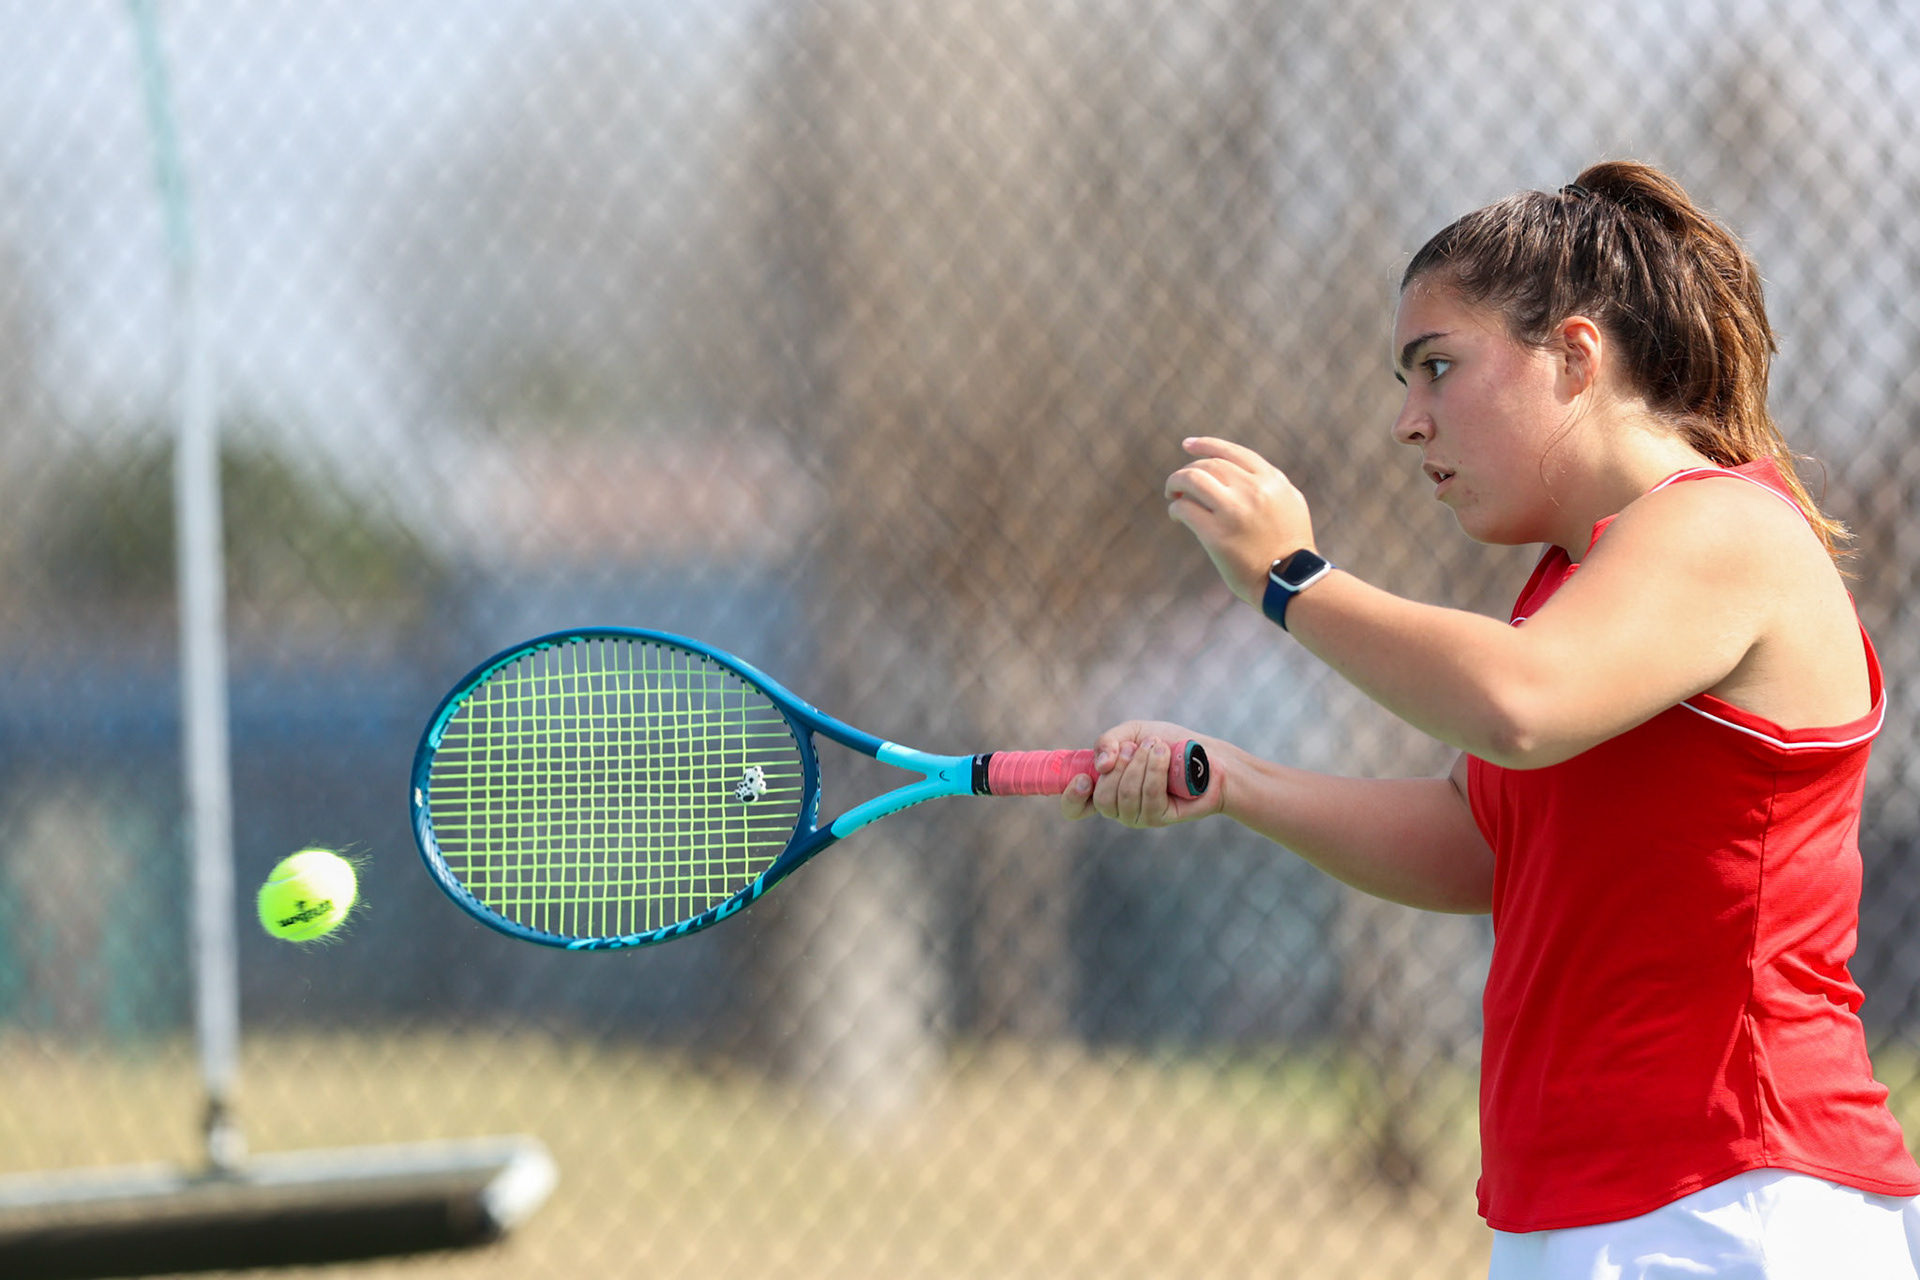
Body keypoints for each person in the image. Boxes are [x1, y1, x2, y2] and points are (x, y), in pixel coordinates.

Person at [1061, 160, 1920, 1278]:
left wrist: (1289, 576)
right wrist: (1233, 779)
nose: (1409, 423)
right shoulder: (1572, 583)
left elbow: (1519, 704)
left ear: (1574, 355)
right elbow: (1479, 838)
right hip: (1585, 1201)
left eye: (1438, 367)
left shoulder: (1726, 530)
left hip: (1740, 1197)